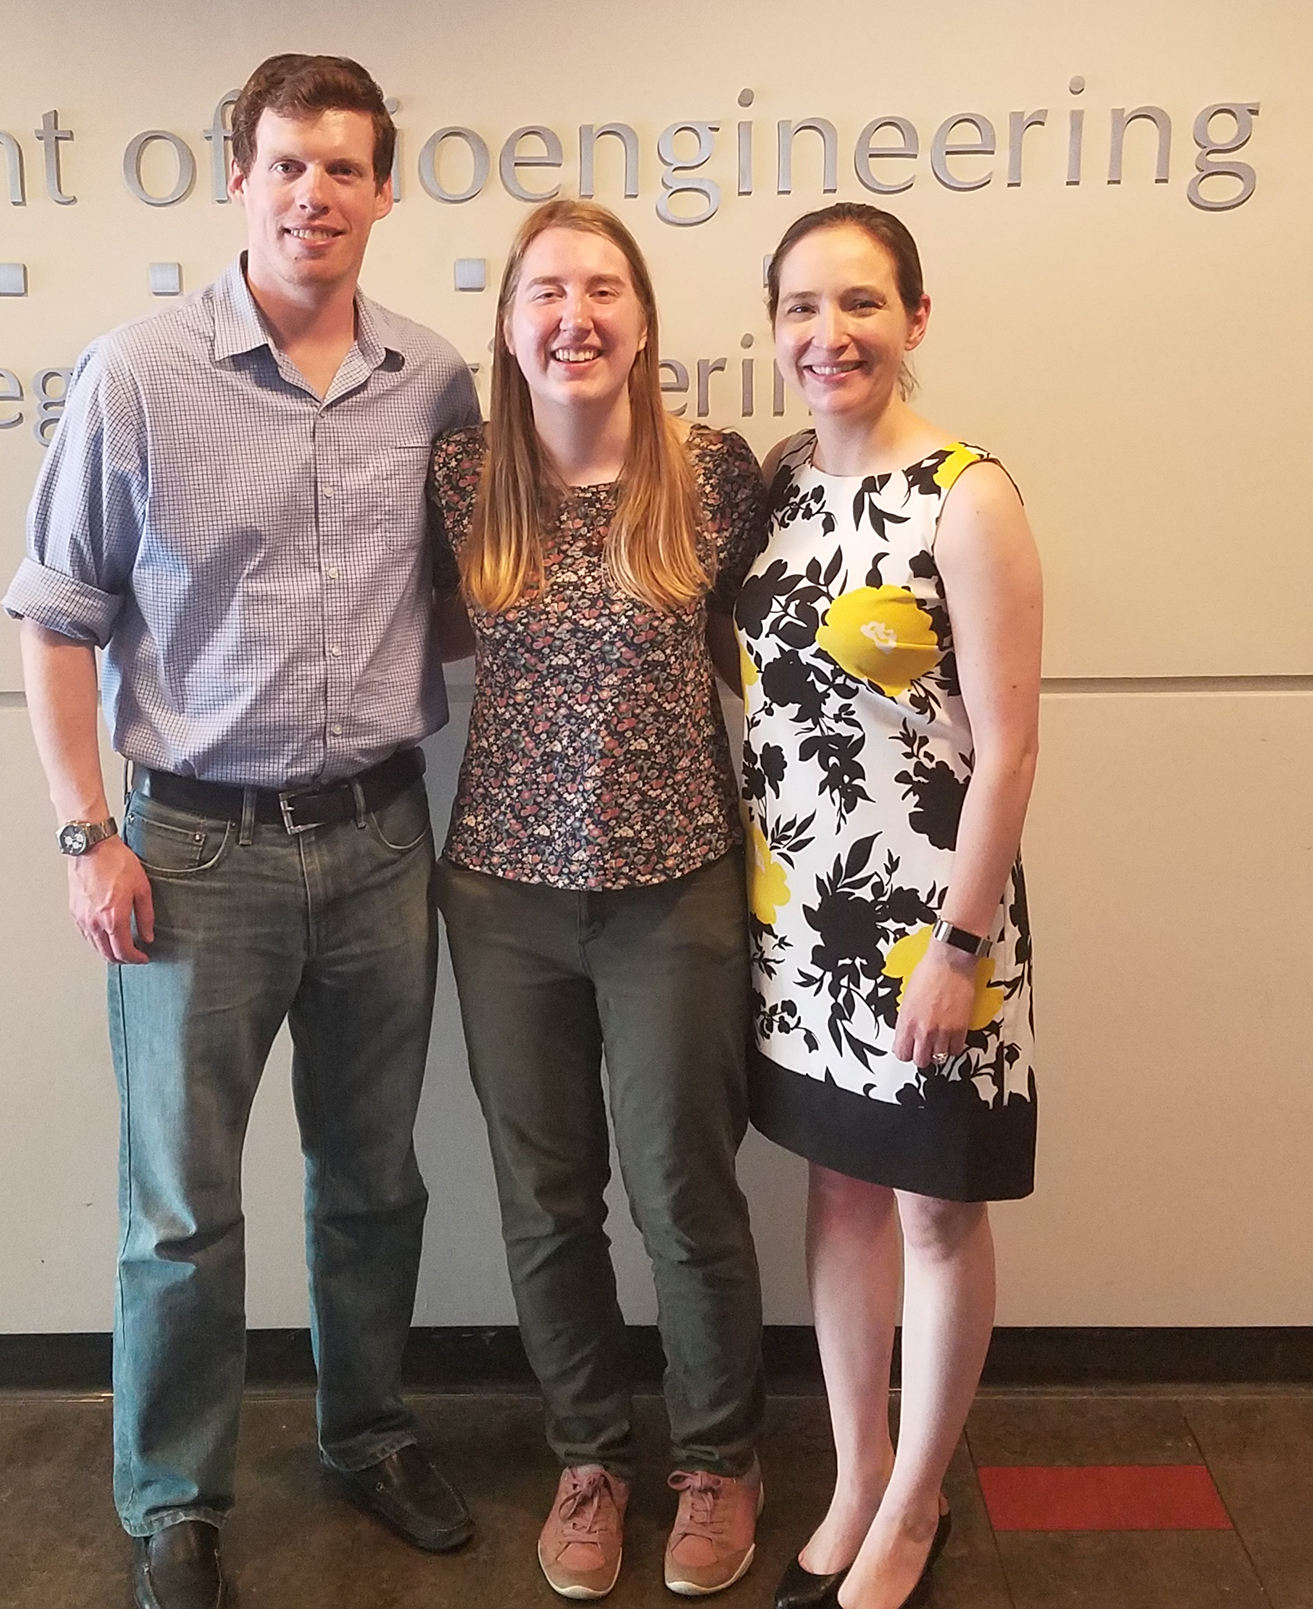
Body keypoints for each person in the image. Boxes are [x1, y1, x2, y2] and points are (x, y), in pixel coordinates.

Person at [4, 54, 481, 1609]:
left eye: (344, 169)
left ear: (384, 189)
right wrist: (88, 833)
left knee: (374, 1177)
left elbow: (488, 596)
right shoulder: (137, 373)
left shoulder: (434, 380)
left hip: (378, 840)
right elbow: (57, 617)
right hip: (191, 853)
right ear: (237, 178)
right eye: (286, 165)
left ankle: (367, 1431)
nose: (313, 196)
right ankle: (175, 1499)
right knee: (181, 1207)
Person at [428, 197, 767, 1600]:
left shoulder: (715, 477)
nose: (574, 314)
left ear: (639, 319)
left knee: (686, 1190)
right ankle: (587, 1458)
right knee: (545, 1196)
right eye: (545, 292)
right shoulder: (462, 478)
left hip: (673, 886)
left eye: (601, 289)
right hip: (501, 894)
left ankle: (717, 1460)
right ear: (507, 328)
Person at [737, 203, 1041, 1609]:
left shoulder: (966, 493)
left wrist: (958, 950)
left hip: (931, 929)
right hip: (800, 924)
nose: (827, 334)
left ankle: (916, 1502)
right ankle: (856, 1470)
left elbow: (1010, 745)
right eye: (801, 307)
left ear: (914, 319)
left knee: (932, 1212)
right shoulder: (781, 485)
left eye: (859, 304)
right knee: (842, 1190)